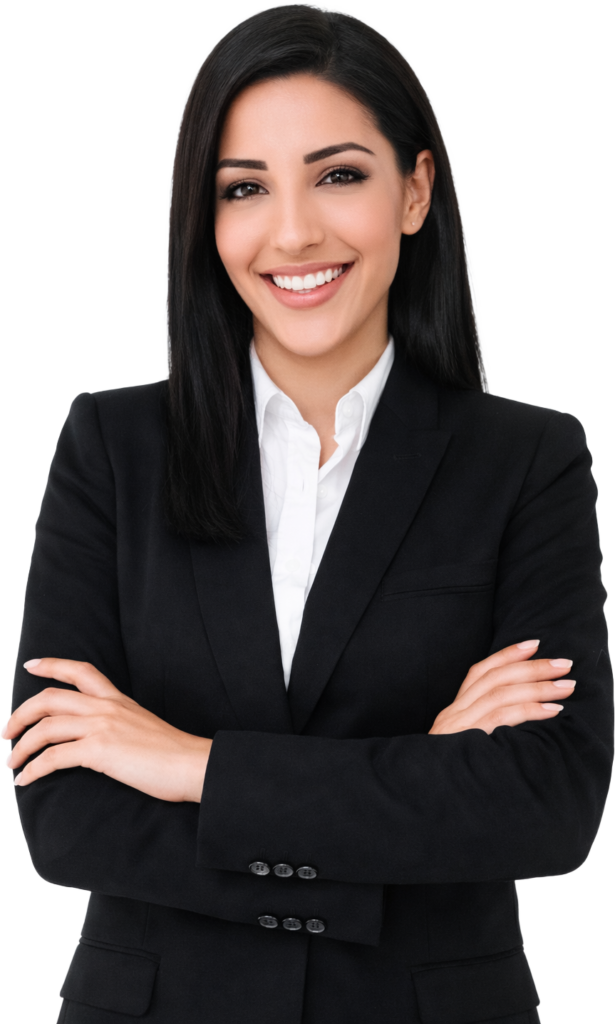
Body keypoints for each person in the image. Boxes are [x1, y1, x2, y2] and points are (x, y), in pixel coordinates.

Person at [5, 4, 612, 1022]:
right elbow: (65, 816)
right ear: (206, 220)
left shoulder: (526, 461)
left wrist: (190, 765)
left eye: (338, 175)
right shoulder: (114, 447)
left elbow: (547, 806)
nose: (292, 232)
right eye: (244, 188)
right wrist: (423, 772)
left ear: (414, 191)